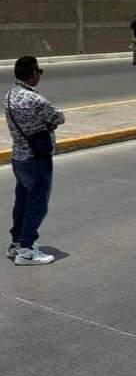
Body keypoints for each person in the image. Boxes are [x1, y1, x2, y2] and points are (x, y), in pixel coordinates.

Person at [3, 56, 65, 266]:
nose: (40, 75)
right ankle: (27, 250)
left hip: (18, 157)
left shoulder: (9, 95)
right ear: (32, 74)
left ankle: (16, 242)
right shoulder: (34, 99)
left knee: (22, 201)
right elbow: (59, 117)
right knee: (38, 204)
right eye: (39, 71)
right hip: (35, 159)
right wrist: (48, 125)